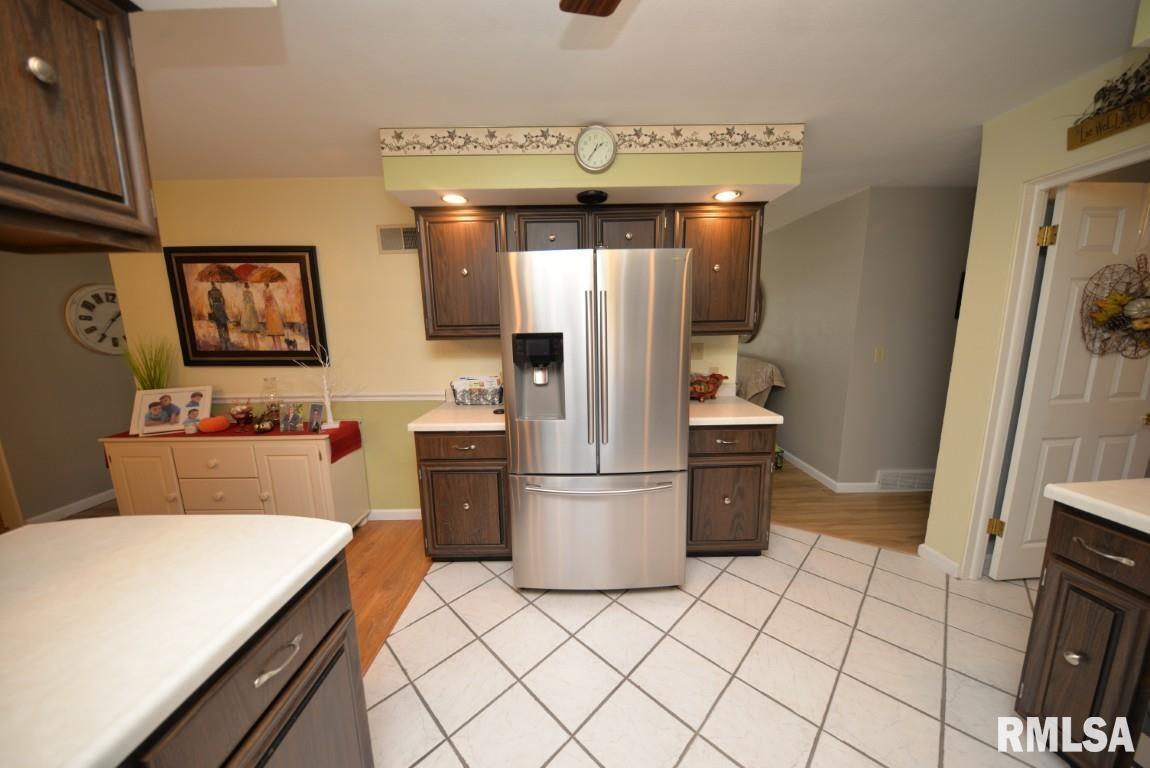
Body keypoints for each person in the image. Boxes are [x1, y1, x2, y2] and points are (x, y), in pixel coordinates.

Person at [207, 282, 231, 350]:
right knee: (224, 322)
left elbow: (209, 301)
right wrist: (223, 306)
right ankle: (227, 337)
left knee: (218, 323)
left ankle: (222, 339)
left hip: (215, 307)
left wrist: (211, 308)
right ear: (215, 284)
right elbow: (223, 300)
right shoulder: (219, 291)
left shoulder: (209, 292)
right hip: (220, 306)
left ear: (211, 285)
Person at [238, 283, 261, 349]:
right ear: (248, 286)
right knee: (253, 330)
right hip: (251, 309)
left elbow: (244, 301)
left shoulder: (244, 293)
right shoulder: (250, 292)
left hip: (247, 310)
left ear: (245, 286)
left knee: (249, 331)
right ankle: (257, 346)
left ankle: (251, 346)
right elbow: (252, 302)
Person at [262, 285, 285, 350]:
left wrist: (270, 302)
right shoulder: (264, 291)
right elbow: (265, 301)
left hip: (273, 311)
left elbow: (272, 300)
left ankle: (279, 347)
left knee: (276, 329)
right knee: (271, 330)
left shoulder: (270, 291)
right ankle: (276, 346)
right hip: (269, 311)